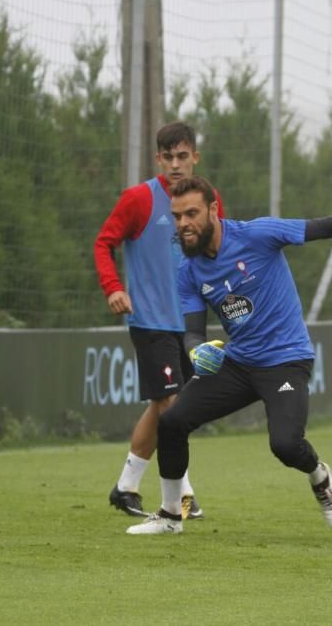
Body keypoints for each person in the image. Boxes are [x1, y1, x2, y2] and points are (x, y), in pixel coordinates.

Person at [126, 176, 332, 534]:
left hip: (286, 359)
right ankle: (170, 516)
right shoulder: (188, 269)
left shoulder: (257, 234)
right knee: (172, 422)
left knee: (286, 445)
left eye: (191, 214)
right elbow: (193, 330)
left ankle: (319, 476)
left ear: (213, 210)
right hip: (239, 363)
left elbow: (324, 227)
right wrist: (197, 351)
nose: (183, 225)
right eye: (177, 217)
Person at [94, 121, 223, 520]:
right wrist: (114, 286)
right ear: (158, 159)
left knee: (163, 407)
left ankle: (126, 486)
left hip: (190, 325)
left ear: (195, 158)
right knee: (172, 406)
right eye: (168, 157)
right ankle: (183, 495)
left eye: (183, 156)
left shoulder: (208, 200)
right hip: (151, 322)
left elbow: (217, 252)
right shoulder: (138, 200)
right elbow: (103, 243)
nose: (175, 164)